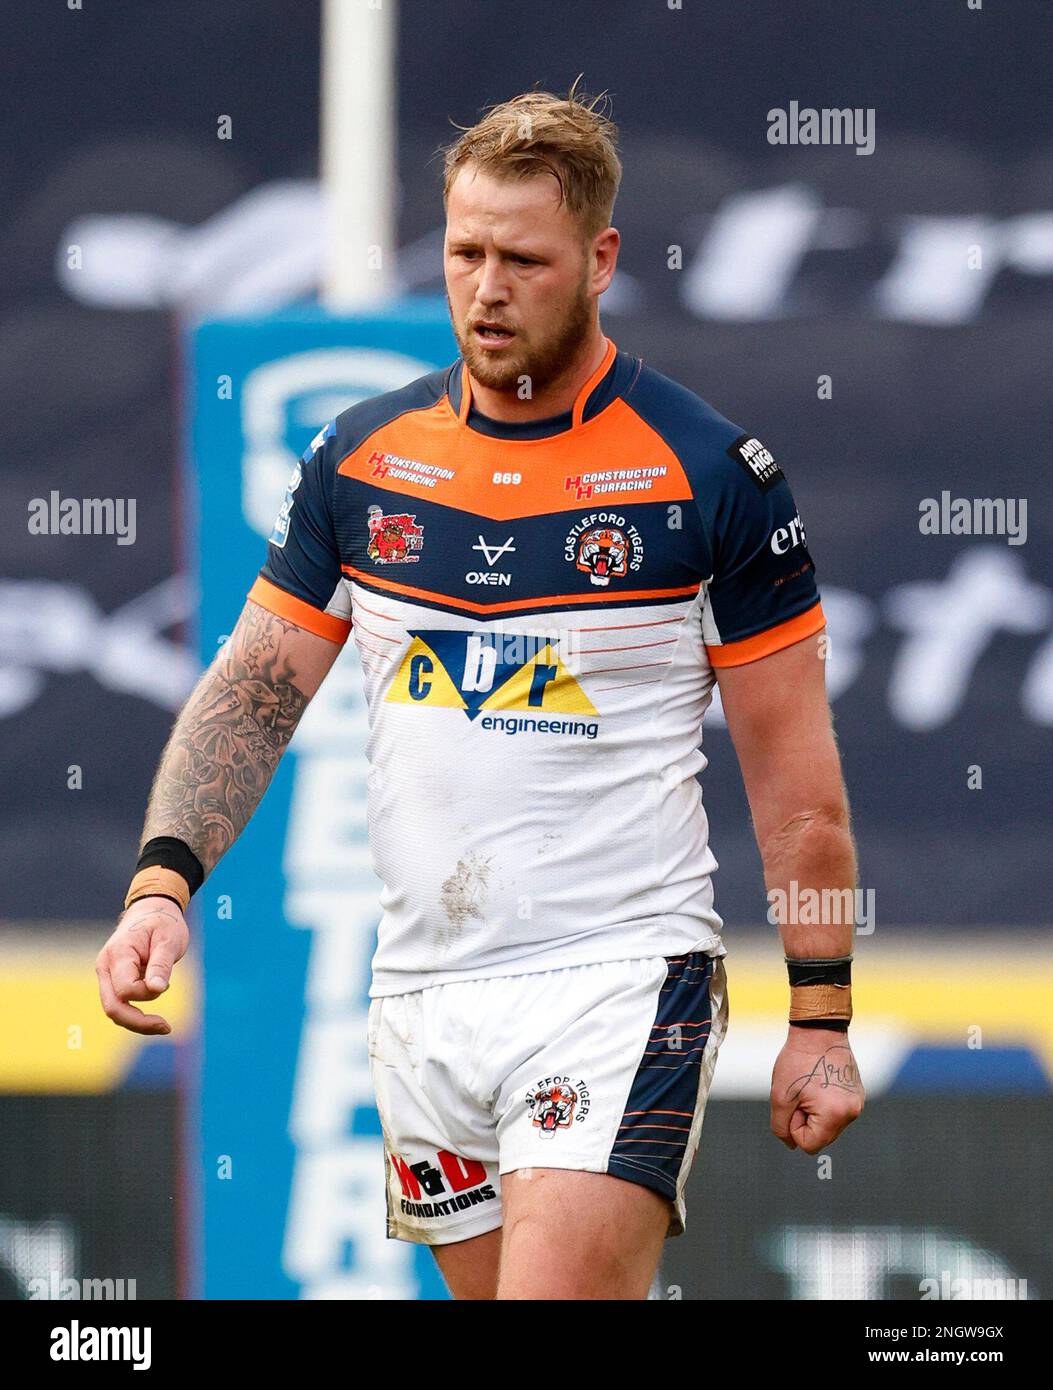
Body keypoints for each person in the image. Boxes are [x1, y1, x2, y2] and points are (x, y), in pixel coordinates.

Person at [97, 80, 863, 1301]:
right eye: (463, 252)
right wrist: (162, 880)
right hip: (425, 994)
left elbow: (798, 787)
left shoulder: (711, 472)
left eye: (524, 257)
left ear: (602, 258)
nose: (486, 287)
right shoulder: (361, 457)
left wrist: (819, 1014)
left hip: (621, 978)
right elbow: (252, 693)